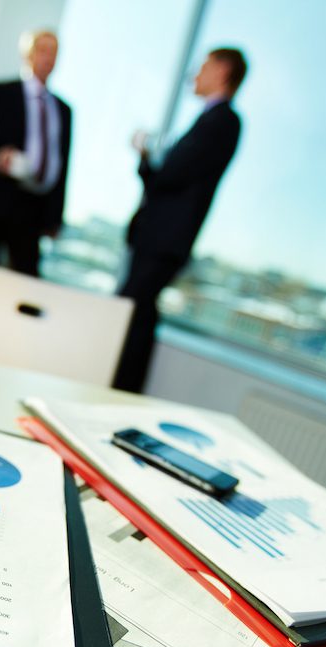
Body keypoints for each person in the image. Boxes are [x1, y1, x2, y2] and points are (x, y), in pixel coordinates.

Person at [113, 48, 247, 393]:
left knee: (129, 311)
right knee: (137, 313)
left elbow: (169, 177)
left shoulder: (221, 121)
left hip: (165, 239)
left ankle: (119, 391)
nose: (195, 75)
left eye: (203, 67)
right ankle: (122, 391)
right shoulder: (214, 121)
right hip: (162, 239)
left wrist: (145, 158)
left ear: (222, 71)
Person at [0, 30, 72, 277]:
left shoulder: (64, 110)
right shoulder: (1, 92)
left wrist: (54, 217)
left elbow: (63, 164)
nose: (48, 58)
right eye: (43, 50)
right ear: (28, 54)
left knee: (25, 279)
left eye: (54, 52)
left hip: (33, 209)